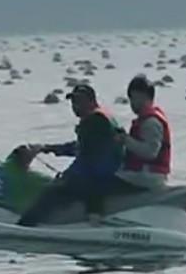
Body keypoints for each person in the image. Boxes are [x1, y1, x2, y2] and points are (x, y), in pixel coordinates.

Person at [18, 82, 124, 227]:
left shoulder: (93, 121)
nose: (75, 105)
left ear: (92, 101)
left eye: (80, 101)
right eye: (73, 101)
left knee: (51, 192)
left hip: (97, 179)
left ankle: (25, 227)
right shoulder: (103, 117)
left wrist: (65, 177)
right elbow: (80, 148)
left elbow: (86, 158)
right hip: (108, 175)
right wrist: (46, 148)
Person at [115, 75, 172, 190]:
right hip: (144, 172)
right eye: (130, 98)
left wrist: (126, 140)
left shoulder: (151, 122)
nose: (132, 103)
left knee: (101, 182)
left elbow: (150, 152)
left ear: (145, 97)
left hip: (147, 175)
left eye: (135, 98)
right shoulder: (145, 119)